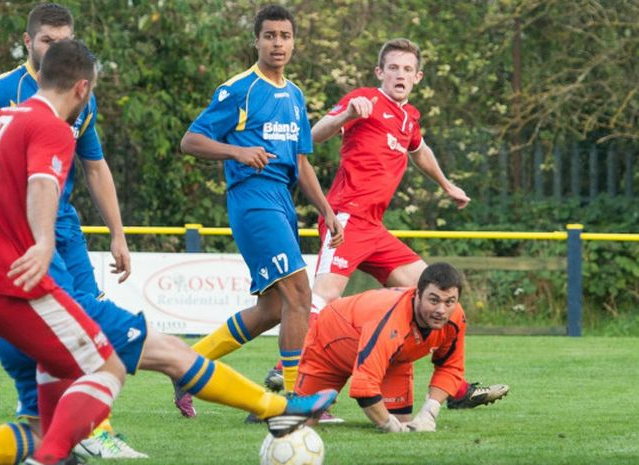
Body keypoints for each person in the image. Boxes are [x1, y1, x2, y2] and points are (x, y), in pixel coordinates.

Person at [0, 42, 337, 465]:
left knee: (44, 421)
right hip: (22, 294)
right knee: (131, 360)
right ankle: (278, 409)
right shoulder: (51, 128)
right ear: (82, 88)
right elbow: (43, 183)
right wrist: (43, 243)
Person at [265, 38, 508, 411]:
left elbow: (420, 150)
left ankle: (453, 387)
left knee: (437, 295)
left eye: (407, 69)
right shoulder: (363, 99)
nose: (400, 74)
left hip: (376, 229)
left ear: (418, 77)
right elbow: (311, 136)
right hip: (345, 218)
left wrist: (446, 185)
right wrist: (346, 116)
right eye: (393, 67)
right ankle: (288, 371)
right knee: (321, 299)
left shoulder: (409, 116)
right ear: (380, 72)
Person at [0, 3, 138, 457]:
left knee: (87, 316)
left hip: (63, 223)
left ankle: (76, 426)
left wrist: (118, 233)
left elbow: (94, 165)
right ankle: (69, 428)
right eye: (47, 40)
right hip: (18, 224)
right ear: (28, 42)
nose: (56, 48)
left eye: (63, 40)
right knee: (62, 323)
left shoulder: (81, 95)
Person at [179, 3, 343, 405]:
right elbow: (190, 141)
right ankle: (294, 398)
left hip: (282, 203)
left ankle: (187, 365)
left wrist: (326, 209)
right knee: (300, 295)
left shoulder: (295, 95)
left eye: (284, 36)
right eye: (269, 35)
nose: (277, 43)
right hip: (253, 199)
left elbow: (301, 162)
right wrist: (237, 153)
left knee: (272, 307)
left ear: (293, 42)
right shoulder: (240, 89)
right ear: (256, 40)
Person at [295, 262, 472, 432]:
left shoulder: (455, 317)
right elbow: (363, 387)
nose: (441, 310)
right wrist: (388, 426)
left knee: (403, 421)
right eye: (433, 300)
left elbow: (450, 367)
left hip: (393, 358)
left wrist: (429, 412)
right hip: (331, 343)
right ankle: (268, 403)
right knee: (298, 421)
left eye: (449, 302)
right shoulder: (391, 320)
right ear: (417, 293)